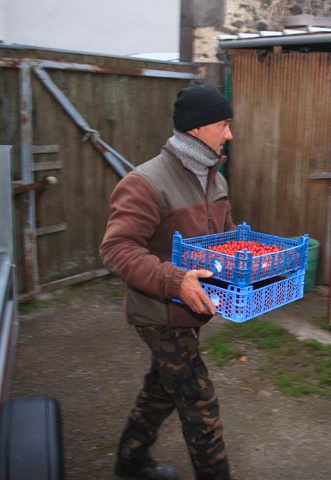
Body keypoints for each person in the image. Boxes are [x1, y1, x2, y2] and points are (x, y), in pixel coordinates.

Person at [100, 83, 235, 480]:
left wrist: (249, 271)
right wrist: (176, 282)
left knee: (161, 389)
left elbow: (223, 242)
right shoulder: (145, 182)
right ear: (196, 129)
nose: (230, 134)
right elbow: (117, 248)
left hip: (192, 311)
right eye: (224, 124)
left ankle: (130, 462)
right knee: (199, 404)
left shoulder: (217, 180)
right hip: (158, 312)